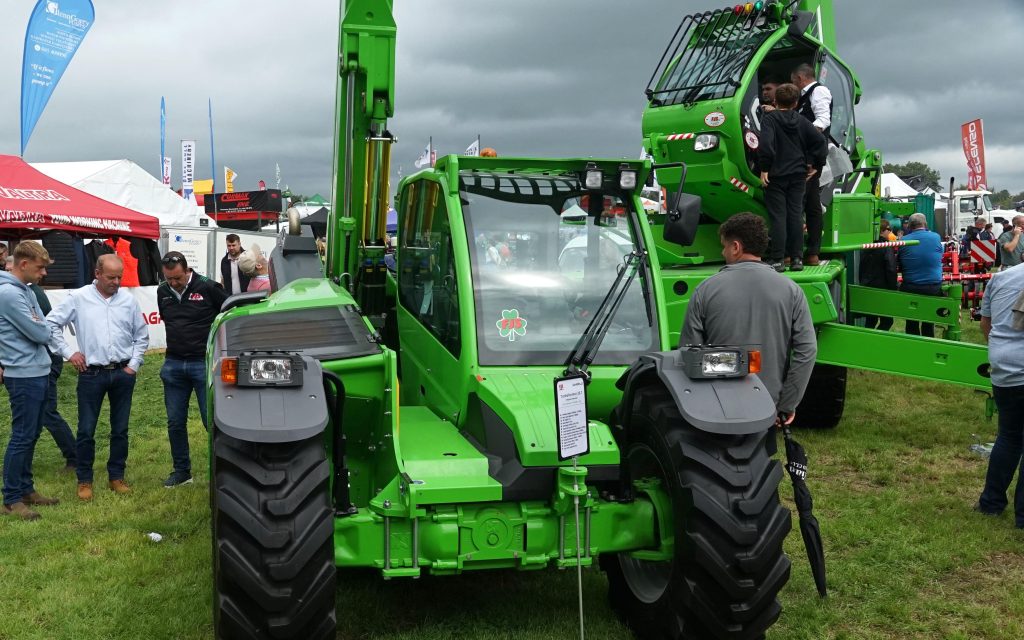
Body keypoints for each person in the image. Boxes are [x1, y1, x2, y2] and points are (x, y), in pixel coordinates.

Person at [681, 213, 817, 424]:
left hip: (718, 404)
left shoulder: (705, 290)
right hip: (768, 405)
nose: (722, 252)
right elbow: (806, 351)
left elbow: (689, 354)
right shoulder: (792, 291)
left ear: (736, 247)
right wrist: (787, 404)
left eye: (724, 246)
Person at [47, 255, 149, 501]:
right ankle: (84, 480)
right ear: (97, 273)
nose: (116, 282)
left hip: (123, 373)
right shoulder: (79, 298)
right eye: (111, 277)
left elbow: (141, 335)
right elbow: (51, 324)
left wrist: (133, 365)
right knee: (86, 429)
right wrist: (69, 353)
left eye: (119, 277)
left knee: (120, 429)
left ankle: (116, 476)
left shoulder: (128, 300)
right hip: (91, 374)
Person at [157, 252, 228, 488]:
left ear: (187, 271)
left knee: (212, 420)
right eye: (169, 279)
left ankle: (225, 469)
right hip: (174, 364)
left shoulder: (208, 287)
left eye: (177, 278)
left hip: (203, 363)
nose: (174, 283)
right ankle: (182, 471)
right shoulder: (162, 292)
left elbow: (229, 312)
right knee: (175, 422)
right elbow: (168, 320)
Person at [0, 242, 59, 520]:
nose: (44, 273)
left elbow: (42, 325)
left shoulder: (25, 291)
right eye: (40, 267)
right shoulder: (10, 295)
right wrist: (41, 327)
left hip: (36, 370)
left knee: (31, 434)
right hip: (23, 374)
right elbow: (41, 333)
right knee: (22, 436)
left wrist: (41, 326)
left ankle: (25, 489)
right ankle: (11, 497)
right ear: (23, 264)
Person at [757, 83, 827, 272]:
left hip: (776, 176)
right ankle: (797, 259)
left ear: (775, 101)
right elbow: (820, 141)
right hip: (798, 175)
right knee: (796, 215)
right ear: (796, 103)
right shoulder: (802, 121)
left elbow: (766, 145)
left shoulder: (769, 120)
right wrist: (816, 165)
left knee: (778, 217)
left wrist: (764, 169)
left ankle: (778, 259)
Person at [975, 260, 1024, 529]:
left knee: (1008, 436)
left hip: (1004, 367)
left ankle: (991, 503)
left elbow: (986, 325)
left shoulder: (1000, 278)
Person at [28, 275, 77, 471]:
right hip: (42, 359)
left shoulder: (32, 293)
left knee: (46, 412)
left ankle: (74, 456)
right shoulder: (27, 292)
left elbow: (41, 330)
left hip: (46, 359)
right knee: (34, 414)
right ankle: (20, 460)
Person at [791, 63, 832, 267]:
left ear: (799, 78)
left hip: (808, 156)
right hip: (810, 155)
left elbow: (823, 120)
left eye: (793, 82)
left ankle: (795, 253)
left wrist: (797, 133)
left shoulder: (819, 91)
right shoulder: (806, 96)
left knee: (798, 204)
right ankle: (813, 251)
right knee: (812, 205)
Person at [897, 213, 944, 337]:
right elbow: (940, 255)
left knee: (912, 321)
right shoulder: (936, 237)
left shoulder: (904, 241)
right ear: (925, 224)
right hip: (933, 287)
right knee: (929, 321)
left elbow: (899, 262)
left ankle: (914, 346)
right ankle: (928, 344)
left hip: (911, 287)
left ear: (910, 226)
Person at [859, 219, 898, 331]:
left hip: (868, 287)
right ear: (881, 231)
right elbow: (891, 268)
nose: (890, 232)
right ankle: (875, 341)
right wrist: (893, 287)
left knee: (870, 320)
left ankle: (867, 341)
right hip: (882, 289)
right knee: (887, 321)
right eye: (888, 229)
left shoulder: (866, 245)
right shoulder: (885, 246)